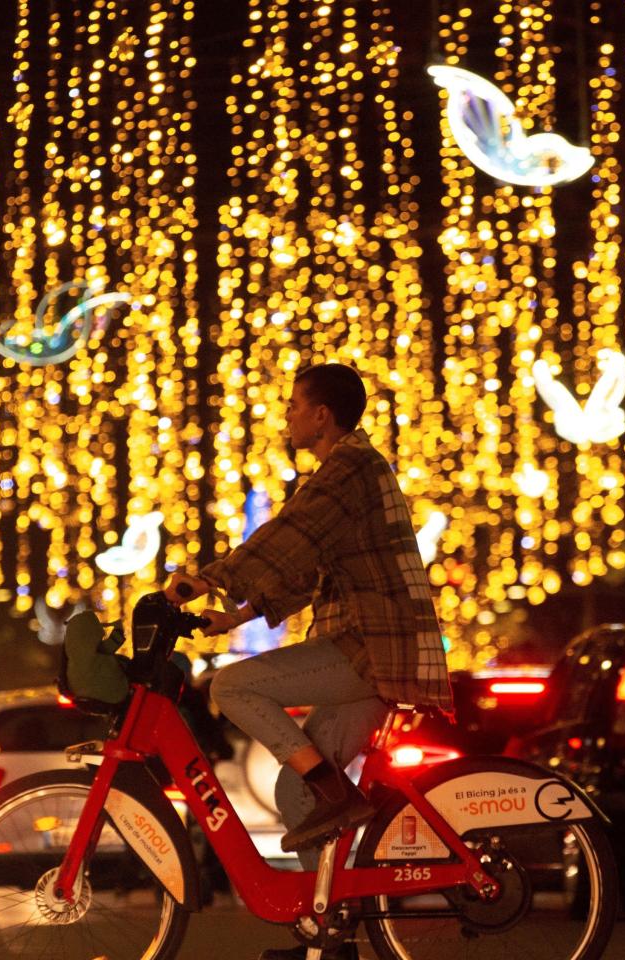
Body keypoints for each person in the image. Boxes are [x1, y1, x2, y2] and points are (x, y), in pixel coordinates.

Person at [167, 364, 451, 956]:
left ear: (322, 415)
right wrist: (235, 618)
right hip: (370, 655)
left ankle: (337, 795)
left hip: (373, 650)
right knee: (298, 796)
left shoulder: (350, 469)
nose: (288, 416)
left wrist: (208, 578)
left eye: (295, 405)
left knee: (230, 685)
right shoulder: (345, 472)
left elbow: (287, 535)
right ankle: (331, 934)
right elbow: (306, 573)